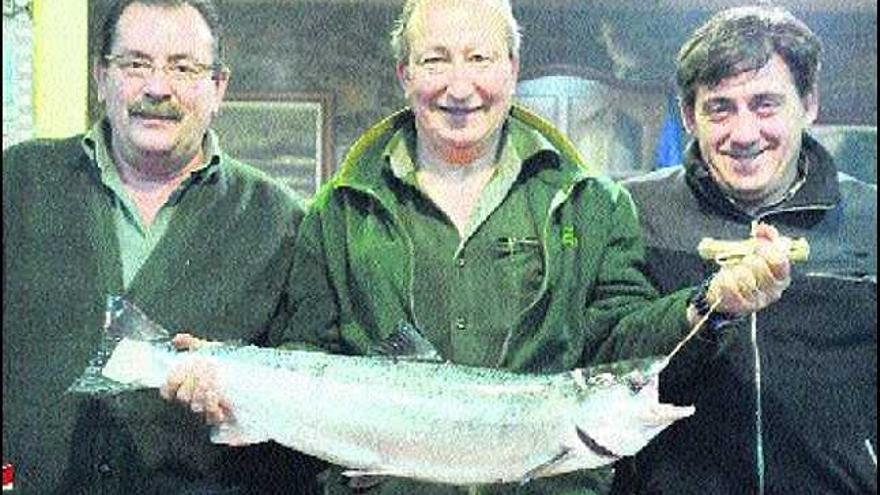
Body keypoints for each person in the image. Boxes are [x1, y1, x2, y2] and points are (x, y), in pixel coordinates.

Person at [165, 1, 794, 493]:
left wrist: (706, 303)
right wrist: (228, 381)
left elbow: (619, 338)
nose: (459, 86)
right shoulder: (337, 209)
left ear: (512, 70)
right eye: (435, 61)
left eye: (479, 59)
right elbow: (306, 354)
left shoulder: (594, 204)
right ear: (405, 75)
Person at [1, 0, 317, 493]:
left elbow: (308, 393)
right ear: (100, 78)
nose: (157, 87)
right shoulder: (16, 183)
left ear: (218, 88)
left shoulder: (284, 222)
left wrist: (240, 387)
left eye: (183, 67)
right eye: (135, 64)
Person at [613, 6, 877, 494]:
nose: (744, 133)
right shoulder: (630, 212)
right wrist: (707, 306)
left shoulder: (870, 218)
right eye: (720, 108)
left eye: (765, 104)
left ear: (809, 103)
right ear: (689, 116)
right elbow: (604, 358)